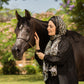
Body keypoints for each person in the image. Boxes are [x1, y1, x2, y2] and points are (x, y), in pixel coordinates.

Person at [34, 16, 78, 84]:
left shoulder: (65, 42)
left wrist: (44, 57)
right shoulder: (50, 42)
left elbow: (60, 59)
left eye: (51, 26)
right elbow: (42, 60)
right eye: (48, 26)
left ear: (58, 28)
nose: (48, 28)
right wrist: (37, 46)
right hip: (52, 80)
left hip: (64, 80)